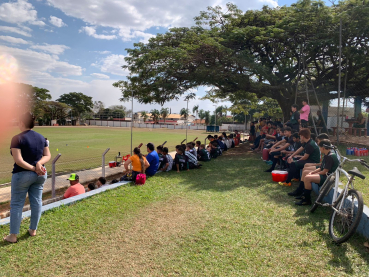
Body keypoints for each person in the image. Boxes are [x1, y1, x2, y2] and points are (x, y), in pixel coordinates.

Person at [4, 112, 51, 243]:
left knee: (17, 204)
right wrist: (39, 165)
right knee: (36, 202)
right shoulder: (42, 138)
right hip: (41, 174)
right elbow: (47, 155)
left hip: (22, 174)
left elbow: (18, 160)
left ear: (21, 123)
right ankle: (33, 230)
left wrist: (33, 167)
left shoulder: (17, 138)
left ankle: (13, 236)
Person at [295, 140, 339, 206]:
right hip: (326, 175)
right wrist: (312, 172)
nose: (319, 149)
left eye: (320, 147)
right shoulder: (327, 154)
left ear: (323, 148)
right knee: (306, 173)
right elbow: (321, 168)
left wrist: (313, 174)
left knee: (307, 178)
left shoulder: (330, 156)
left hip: (328, 177)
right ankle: (303, 194)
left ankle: (307, 200)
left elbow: (325, 172)